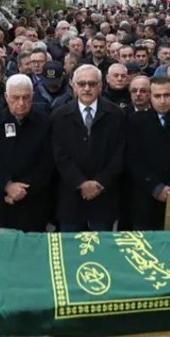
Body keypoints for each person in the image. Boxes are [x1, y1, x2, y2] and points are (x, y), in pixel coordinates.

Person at [51, 65, 125, 232]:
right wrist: (80, 183)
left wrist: (99, 183)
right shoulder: (59, 115)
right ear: (73, 85)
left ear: (100, 86)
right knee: (72, 251)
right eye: (82, 83)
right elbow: (59, 155)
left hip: (104, 196)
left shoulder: (116, 115)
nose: (86, 88)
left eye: (92, 84)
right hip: (71, 197)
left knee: (102, 251)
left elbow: (119, 154)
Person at [0, 74, 54, 232]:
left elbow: (47, 163)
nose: (21, 103)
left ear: (33, 96)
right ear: (6, 97)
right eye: (15, 98)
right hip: (1, 201)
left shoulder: (45, 123)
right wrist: (7, 186)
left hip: (33, 202)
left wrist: (23, 190)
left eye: (26, 97)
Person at [126, 76, 170, 230]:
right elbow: (133, 159)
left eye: (166, 95)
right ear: (150, 96)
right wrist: (156, 187)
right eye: (157, 96)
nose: (163, 101)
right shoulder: (135, 121)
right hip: (146, 197)